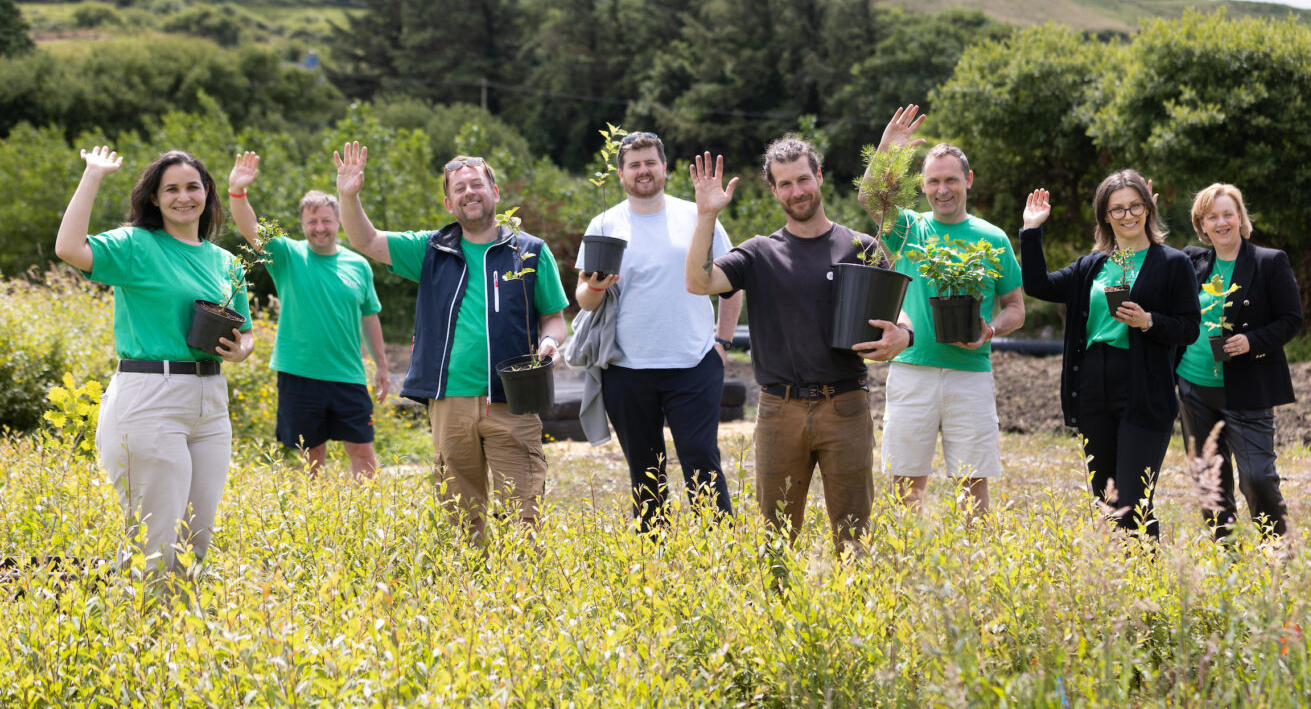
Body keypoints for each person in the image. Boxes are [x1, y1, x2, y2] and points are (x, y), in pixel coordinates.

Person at [685, 136, 911, 552]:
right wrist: (706, 216)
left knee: (854, 535)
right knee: (776, 537)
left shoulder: (860, 247)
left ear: (819, 176)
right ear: (774, 190)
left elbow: (900, 311)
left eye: (803, 179)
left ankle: (856, 596)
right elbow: (699, 282)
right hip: (779, 410)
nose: (797, 191)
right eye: (785, 184)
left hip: (845, 407)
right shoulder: (759, 253)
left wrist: (904, 334)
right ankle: (779, 597)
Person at [333, 142, 569, 539]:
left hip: (513, 399)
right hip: (449, 403)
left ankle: (522, 580)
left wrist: (549, 342)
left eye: (476, 184)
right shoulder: (430, 249)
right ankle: (471, 580)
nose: (469, 193)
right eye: (459, 189)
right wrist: (348, 196)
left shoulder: (529, 252)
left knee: (523, 518)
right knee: (461, 522)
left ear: (495, 192)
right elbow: (366, 240)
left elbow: (555, 318)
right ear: (448, 203)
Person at [54, 147, 255, 573]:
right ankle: (131, 613)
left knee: (197, 541)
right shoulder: (136, 244)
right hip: (150, 397)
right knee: (156, 542)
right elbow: (69, 247)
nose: (183, 197)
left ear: (207, 193)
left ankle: (174, 616)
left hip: (210, 402)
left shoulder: (227, 263)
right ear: (154, 198)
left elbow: (247, 333)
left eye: (192, 187)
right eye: (171, 189)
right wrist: (93, 175)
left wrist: (241, 350)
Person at [859, 107, 1025, 520]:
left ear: (968, 180)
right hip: (911, 370)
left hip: (970, 374)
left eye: (951, 179)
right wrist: (887, 149)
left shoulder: (993, 238)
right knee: (905, 482)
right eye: (933, 181)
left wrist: (990, 330)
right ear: (923, 186)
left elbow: (1016, 308)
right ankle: (910, 554)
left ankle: (973, 556)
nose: (942, 189)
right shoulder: (908, 229)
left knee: (972, 483)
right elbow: (868, 197)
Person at [573, 131, 743, 530]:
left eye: (650, 162)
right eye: (634, 165)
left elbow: (732, 285)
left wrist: (721, 342)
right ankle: (654, 554)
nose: (643, 170)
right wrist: (595, 287)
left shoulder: (698, 215)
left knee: (702, 460)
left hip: (694, 363)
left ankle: (720, 548)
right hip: (626, 368)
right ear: (621, 174)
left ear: (664, 168)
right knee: (645, 471)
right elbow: (584, 298)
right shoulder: (605, 223)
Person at [1019, 171, 1198, 539]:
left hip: (1144, 387)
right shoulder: (1092, 266)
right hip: (1092, 386)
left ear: (1148, 209)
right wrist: (1032, 230)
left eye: (1135, 206)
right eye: (1117, 209)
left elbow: (1189, 327)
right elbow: (1038, 285)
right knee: (1107, 498)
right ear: (1105, 216)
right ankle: (1122, 569)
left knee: (1133, 501)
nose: (1127, 215)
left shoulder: (1173, 263)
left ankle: (1145, 570)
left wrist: (1149, 321)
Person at [224, 152, 390, 478]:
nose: (319, 228)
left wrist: (382, 366)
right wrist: (237, 191)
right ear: (302, 225)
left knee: (363, 451)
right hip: (299, 373)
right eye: (312, 222)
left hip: (348, 375)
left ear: (339, 222)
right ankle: (316, 510)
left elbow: (369, 317)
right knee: (311, 455)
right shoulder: (287, 254)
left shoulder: (358, 265)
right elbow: (250, 228)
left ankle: (367, 507)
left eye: (326, 220)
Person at [1176, 183, 1302, 540]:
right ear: (1201, 224)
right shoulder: (1191, 261)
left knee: (1258, 477)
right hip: (1194, 387)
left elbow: (1291, 319)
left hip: (1248, 388)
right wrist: (1146, 212)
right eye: (1212, 217)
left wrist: (1252, 341)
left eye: (1228, 214)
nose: (1221, 223)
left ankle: (1278, 551)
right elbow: (1149, 260)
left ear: (1240, 217)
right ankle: (1226, 557)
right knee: (1210, 480)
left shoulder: (1268, 262)